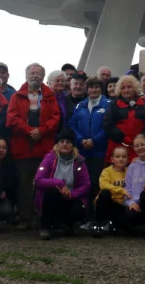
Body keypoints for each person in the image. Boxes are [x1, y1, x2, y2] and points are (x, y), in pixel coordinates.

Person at [6, 63, 62, 227]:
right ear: (26, 75)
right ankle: (25, 217)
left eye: (38, 73)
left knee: (43, 183)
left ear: (43, 76)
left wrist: (42, 131)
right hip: (22, 148)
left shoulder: (49, 96)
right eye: (32, 73)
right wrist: (29, 130)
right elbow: (12, 118)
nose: (35, 76)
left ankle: (41, 217)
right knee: (24, 184)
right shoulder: (17, 96)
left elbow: (55, 118)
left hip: (43, 148)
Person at [34, 131, 90, 240]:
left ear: (73, 145)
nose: (64, 144)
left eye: (68, 142)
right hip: (53, 196)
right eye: (62, 141)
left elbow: (86, 185)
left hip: (71, 196)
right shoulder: (49, 158)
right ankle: (45, 227)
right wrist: (59, 183)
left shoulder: (79, 161)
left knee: (79, 209)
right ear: (57, 144)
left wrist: (71, 193)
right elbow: (38, 180)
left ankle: (69, 225)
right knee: (51, 192)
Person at [69, 76, 110, 225]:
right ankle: (84, 216)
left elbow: (108, 126)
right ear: (87, 89)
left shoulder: (108, 104)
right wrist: (80, 140)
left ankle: (97, 217)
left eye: (97, 87)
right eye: (91, 87)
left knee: (96, 183)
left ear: (101, 89)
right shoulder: (80, 106)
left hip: (99, 151)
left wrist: (94, 140)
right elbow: (72, 125)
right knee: (83, 184)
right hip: (82, 152)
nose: (94, 90)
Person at [103, 75, 145, 162]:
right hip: (118, 146)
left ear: (135, 88)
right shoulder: (113, 105)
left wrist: (142, 139)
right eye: (123, 88)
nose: (126, 90)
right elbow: (108, 124)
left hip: (140, 147)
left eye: (129, 87)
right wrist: (123, 138)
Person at [93, 145, 131, 235]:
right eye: (117, 157)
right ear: (112, 159)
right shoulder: (106, 171)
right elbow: (103, 185)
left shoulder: (130, 171)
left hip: (121, 204)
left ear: (128, 159)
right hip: (108, 203)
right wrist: (122, 190)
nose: (121, 159)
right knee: (105, 193)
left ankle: (114, 223)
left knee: (123, 226)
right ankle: (98, 224)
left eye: (124, 156)